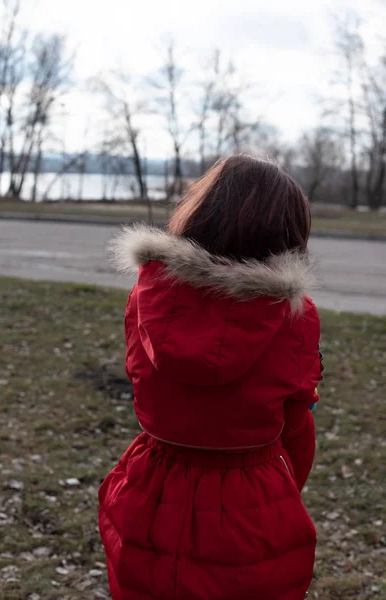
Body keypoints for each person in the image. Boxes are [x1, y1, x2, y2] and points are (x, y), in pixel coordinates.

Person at [99, 155, 322, 600]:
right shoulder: (294, 317)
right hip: (251, 500)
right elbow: (297, 421)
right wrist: (280, 491)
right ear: (287, 235)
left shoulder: (148, 297)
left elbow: (147, 385)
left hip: (151, 488)